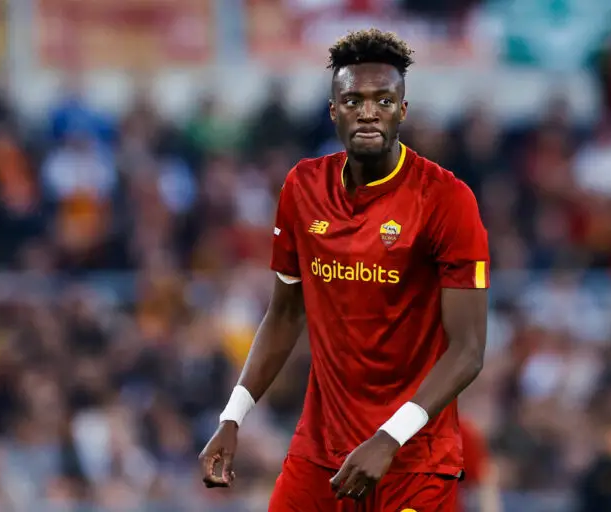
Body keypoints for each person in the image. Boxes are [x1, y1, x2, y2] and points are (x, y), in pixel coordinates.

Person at [199, 28, 490, 511]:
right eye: (354, 100)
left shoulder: (446, 199)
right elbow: (285, 314)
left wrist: (389, 438)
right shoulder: (303, 187)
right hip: (320, 455)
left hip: (414, 462)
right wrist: (232, 417)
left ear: (402, 110)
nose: (368, 112)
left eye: (383, 100)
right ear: (334, 110)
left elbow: (469, 350)